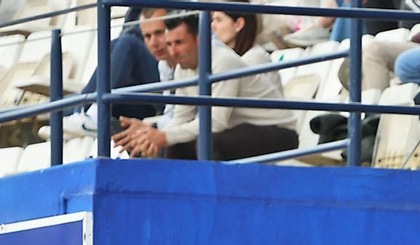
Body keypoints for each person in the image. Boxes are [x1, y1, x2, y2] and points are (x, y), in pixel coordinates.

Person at [112, 14, 297, 159]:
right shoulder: (182, 68)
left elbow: (216, 123)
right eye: (169, 44)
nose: (173, 51)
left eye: (179, 43)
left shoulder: (223, 61)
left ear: (199, 40)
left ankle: (216, 201)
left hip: (279, 131)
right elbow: (181, 118)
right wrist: (155, 136)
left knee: (208, 142)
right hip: (242, 128)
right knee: (176, 144)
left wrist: (164, 136)